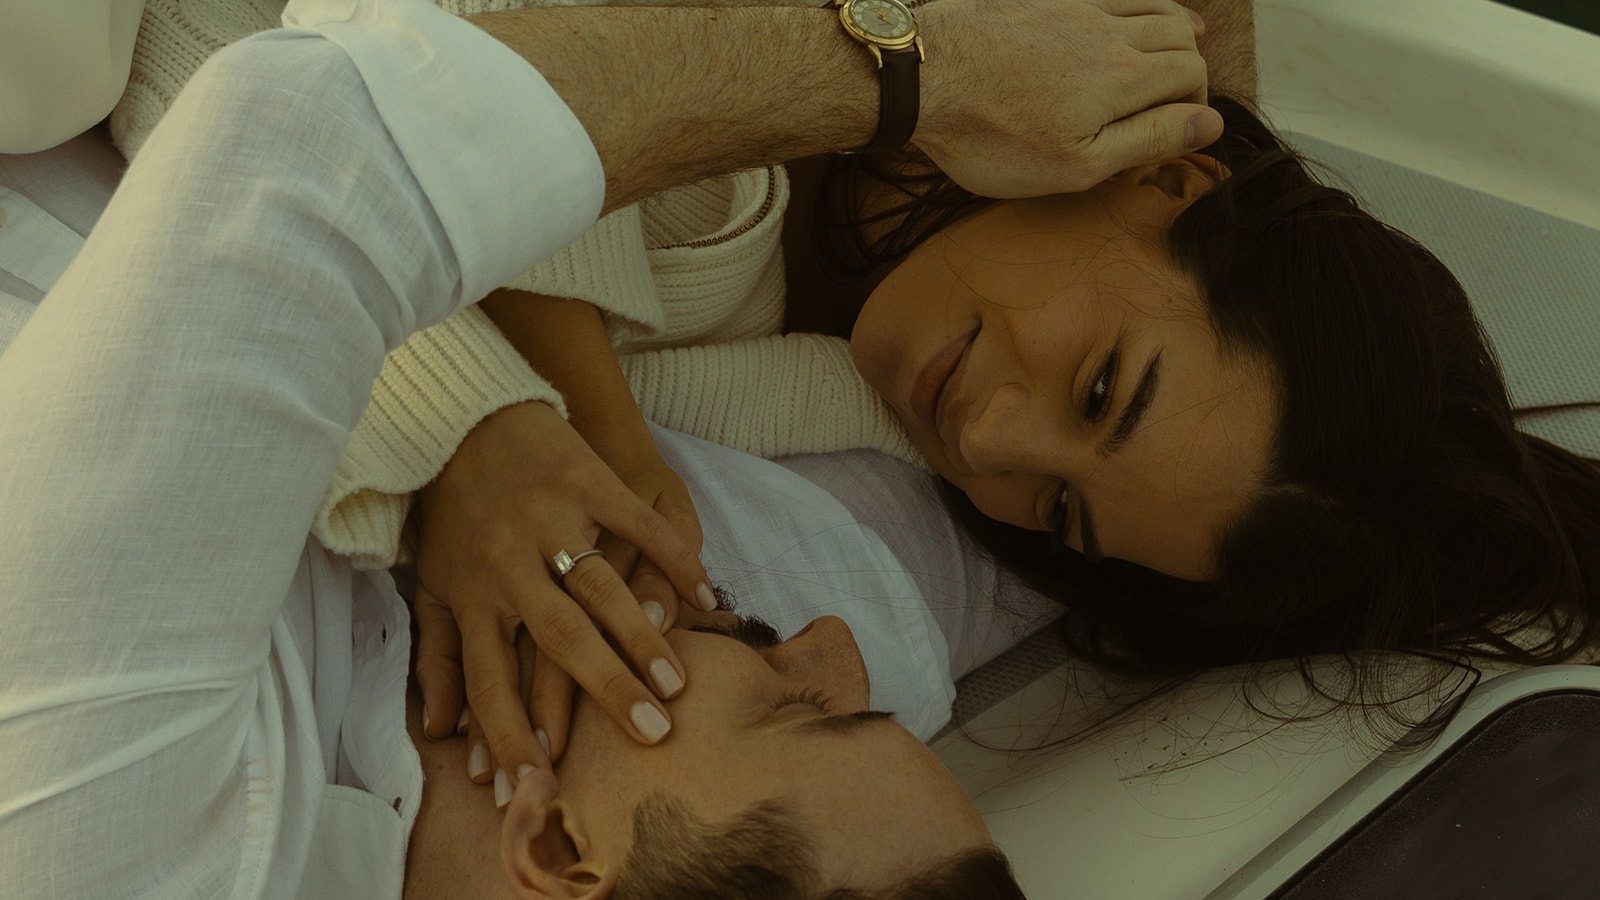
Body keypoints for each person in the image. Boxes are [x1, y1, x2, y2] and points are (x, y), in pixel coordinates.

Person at [0, 0, 1217, 895]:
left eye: (803, 714)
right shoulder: (836, 616)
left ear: (556, 849)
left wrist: (913, 67)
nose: (835, 651)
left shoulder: (119, 840)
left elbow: (301, 142)